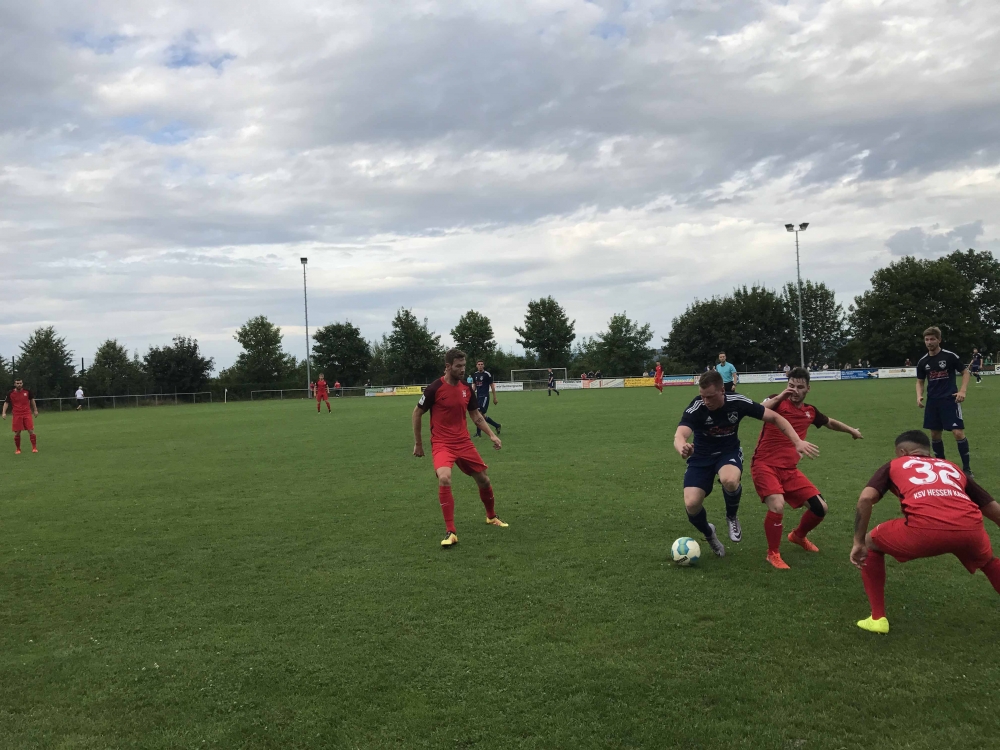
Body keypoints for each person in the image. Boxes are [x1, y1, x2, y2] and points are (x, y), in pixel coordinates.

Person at [850, 430, 1000, 634]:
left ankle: (877, 618)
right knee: (989, 562)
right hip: (971, 529)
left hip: (924, 531)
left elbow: (866, 498)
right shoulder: (951, 466)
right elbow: (991, 507)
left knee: (870, 543)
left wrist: (858, 542)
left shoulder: (895, 464)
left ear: (902, 452)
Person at [673, 371, 819, 556]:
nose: (706, 401)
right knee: (692, 504)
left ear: (722, 391)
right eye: (702, 396)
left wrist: (797, 441)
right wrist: (682, 447)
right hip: (701, 457)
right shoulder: (697, 407)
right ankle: (709, 534)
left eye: (710, 396)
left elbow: (775, 417)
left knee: (730, 480)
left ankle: (731, 516)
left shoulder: (737, 402)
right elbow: (680, 435)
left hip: (728, 452)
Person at [753, 367, 864, 569]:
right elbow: (759, 410)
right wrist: (781, 395)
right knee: (777, 505)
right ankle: (773, 554)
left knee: (821, 508)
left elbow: (830, 423)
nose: (794, 390)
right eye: (791, 386)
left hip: (789, 470)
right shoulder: (776, 401)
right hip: (764, 465)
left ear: (808, 389)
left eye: (799, 387)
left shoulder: (810, 412)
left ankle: (798, 536)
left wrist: (851, 431)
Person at [412, 349, 506, 547]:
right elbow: (417, 413)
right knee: (444, 477)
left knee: (484, 480)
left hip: (463, 442)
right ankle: (451, 531)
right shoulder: (434, 388)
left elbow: (476, 415)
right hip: (442, 443)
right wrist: (418, 444)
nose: (463, 370)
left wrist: (491, 435)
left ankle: (491, 516)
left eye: (464, 365)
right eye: (458, 366)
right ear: (448, 367)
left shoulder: (466, 389)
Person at [915, 326, 972, 477]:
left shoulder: (949, 356)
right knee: (935, 435)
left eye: (932, 339)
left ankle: (967, 469)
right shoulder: (923, 361)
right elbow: (920, 381)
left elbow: (965, 372)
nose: (929, 342)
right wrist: (919, 395)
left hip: (950, 400)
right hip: (933, 402)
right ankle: (942, 466)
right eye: (926, 339)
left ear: (939, 340)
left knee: (958, 432)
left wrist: (962, 391)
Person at [2, 379, 39, 454]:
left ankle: (34, 448)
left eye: (20, 383)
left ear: (22, 384)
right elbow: (6, 403)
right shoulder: (10, 393)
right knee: (17, 432)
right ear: (14, 384)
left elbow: (32, 400)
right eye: (17, 383)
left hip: (26, 413)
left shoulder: (27, 391)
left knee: (30, 430)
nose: (19, 384)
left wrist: (35, 410)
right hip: (17, 414)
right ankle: (18, 449)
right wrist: (4, 412)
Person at [472, 360, 502, 438]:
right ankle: (497, 425)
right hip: (478, 397)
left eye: (481, 364)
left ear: (484, 365)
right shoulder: (475, 374)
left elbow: (492, 386)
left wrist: (494, 398)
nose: (480, 365)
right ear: (476, 366)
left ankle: (478, 433)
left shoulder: (487, 374)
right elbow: (474, 386)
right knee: (482, 416)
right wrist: (471, 394)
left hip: (485, 396)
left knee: (479, 414)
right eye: (479, 364)